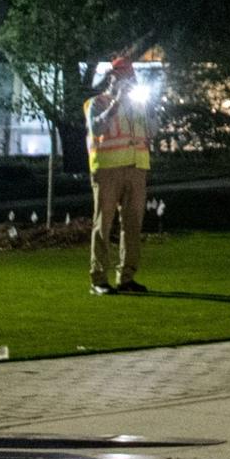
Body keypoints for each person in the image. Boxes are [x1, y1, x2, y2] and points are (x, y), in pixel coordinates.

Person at [84, 56, 153, 295]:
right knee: (103, 224)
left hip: (136, 169)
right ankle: (98, 280)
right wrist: (116, 105)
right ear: (112, 77)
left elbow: (150, 132)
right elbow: (97, 128)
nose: (129, 82)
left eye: (131, 78)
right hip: (108, 169)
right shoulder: (97, 102)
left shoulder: (138, 105)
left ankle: (127, 278)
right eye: (124, 77)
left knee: (133, 226)